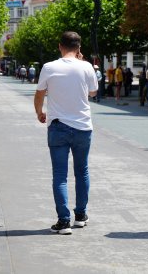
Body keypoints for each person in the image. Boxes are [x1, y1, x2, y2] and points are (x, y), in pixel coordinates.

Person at [34, 31, 98, 235]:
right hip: (82, 127)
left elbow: (39, 93)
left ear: (60, 46)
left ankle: (64, 221)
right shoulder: (86, 66)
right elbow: (93, 92)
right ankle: (80, 215)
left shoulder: (49, 67)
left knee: (60, 175)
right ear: (78, 48)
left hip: (58, 126)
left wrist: (39, 112)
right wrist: (83, 64)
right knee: (82, 171)